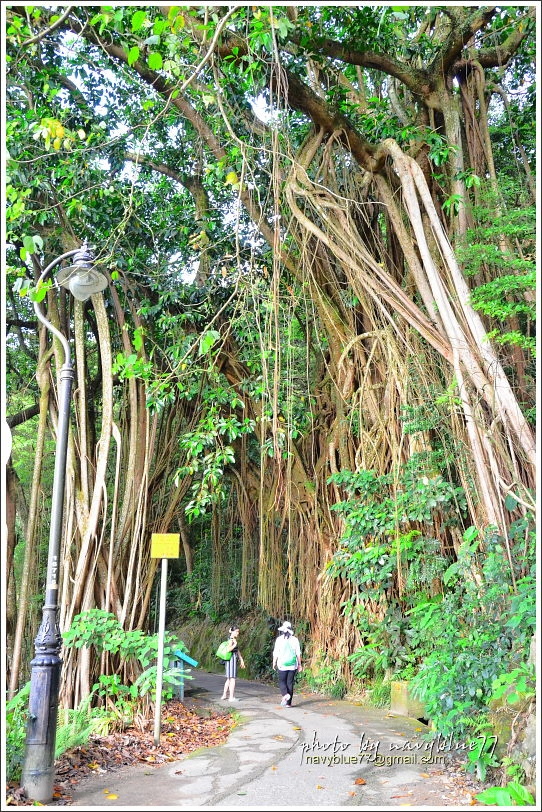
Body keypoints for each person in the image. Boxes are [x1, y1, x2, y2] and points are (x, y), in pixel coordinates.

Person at [272, 620, 302, 707]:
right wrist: (299, 664)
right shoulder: (295, 640)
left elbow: (276, 652)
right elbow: (298, 653)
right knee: (290, 683)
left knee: (282, 681)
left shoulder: (279, 640)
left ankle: (285, 695)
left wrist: (274, 662)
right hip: (292, 665)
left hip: (282, 664)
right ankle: (288, 704)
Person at [221, 625, 245, 701]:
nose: (238, 633)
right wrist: (234, 644)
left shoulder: (232, 639)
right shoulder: (231, 640)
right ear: (233, 631)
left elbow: (237, 650)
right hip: (231, 659)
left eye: (238, 631)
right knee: (232, 678)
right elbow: (228, 650)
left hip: (230, 659)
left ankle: (224, 695)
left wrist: (241, 659)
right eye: (236, 631)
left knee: (229, 678)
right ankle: (231, 697)